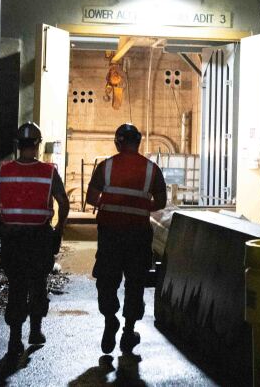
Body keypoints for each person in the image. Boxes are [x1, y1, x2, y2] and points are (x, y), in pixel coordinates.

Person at [85, 123, 166, 357]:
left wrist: (111, 206)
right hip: (138, 235)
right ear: (138, 142)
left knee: (107, 279)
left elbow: (91, 198)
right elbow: (160, 202)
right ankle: (128, 331)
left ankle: (110, 319)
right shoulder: (152, 170)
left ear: (118, 142)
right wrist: (140, 207)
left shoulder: (106, 166)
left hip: (110, 234)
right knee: (135, 282)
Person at [0, 121, 69, 357]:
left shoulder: (3, 172)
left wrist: (4, 224)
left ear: (18, 144)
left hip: (12, 238)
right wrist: (59, 230)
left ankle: (15, 340)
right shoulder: (48, 172)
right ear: (37, 144)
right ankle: (35, 331)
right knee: (38, 283)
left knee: (16, 286)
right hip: (39, 238)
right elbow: (63, 203)